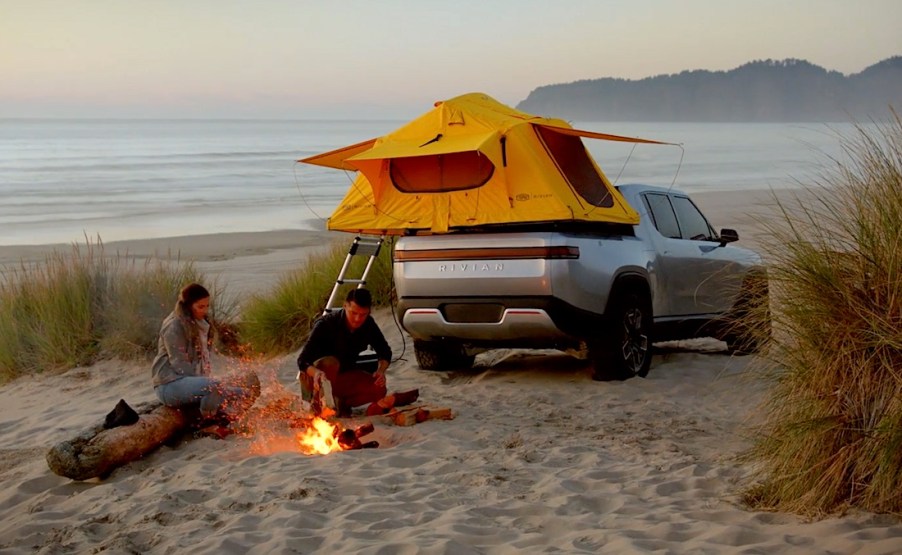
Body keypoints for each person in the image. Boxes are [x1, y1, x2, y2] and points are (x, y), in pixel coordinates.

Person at [297, 288, 417, 417]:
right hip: (317, 377)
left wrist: (381, 371)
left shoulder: (368, 324)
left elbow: (385, 352)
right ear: (345, 306)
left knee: (378, 389)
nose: (357, 319)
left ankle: (341, 403)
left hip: (344, 376)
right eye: (353, 313)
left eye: (363, 314)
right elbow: (302, 360)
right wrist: (316, 373)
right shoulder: (326, 324)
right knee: (331, 363)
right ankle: (317, 408)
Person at [151, 283, 259, 423]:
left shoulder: (200, 324)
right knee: (214, 386)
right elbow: (181, 366)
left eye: (207, 306)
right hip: (169, 384)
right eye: (200, 307)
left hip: (193, 382)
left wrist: (208, 388)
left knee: (245, 394)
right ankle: (207, 421)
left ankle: (222, 418)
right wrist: (205, 387)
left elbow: (203, 361)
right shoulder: (174, 326)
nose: (205, 310)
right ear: (188, 306)